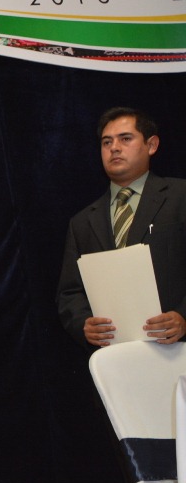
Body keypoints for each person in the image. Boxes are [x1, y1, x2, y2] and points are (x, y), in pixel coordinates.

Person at [57, 107, 186, 348]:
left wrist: (184, 317)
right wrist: (84, 323)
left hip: (178, 351)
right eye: (107, 142)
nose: (114, 147)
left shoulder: (180, 196)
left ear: (152, 145)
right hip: (115, 357)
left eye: (125, 138)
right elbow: (70, 293)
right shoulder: (83, 222)